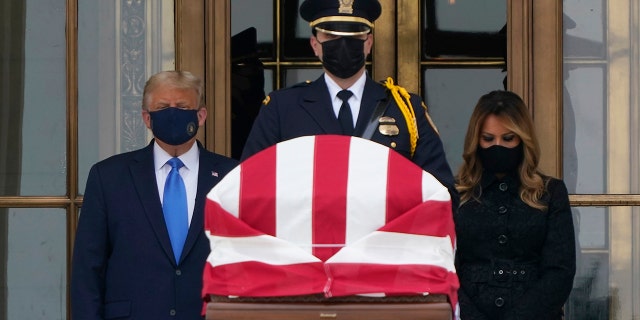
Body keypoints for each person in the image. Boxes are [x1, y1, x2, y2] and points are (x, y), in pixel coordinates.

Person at [240, 0, 457, 203]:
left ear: (368, 43)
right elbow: (249, 188)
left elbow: (440, 194)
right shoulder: (282, 108)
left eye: (353, 37)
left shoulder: (406, 110)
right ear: (315, 44)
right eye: (332, 37)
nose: (343, 44)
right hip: (307, 240)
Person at [71, 70, 239, 319]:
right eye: (162, 107)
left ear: (201, 115)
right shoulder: (109, 177)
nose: (173, 113)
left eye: (182, 106)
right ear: (147, 118)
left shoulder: (233, 176)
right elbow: (88, 268)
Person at [454, 90, 576, 319]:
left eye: (508, 139)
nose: (497, 146)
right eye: (488, 139)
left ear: (523, 139)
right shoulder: (455, 194)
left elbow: (559, 272)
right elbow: (445, 268)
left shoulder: (551, 193)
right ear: (475, 140)